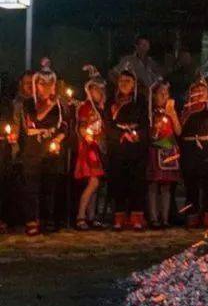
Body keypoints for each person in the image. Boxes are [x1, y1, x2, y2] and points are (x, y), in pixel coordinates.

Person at [15, 64, 67, 235]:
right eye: (42, 84)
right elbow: (35, 119)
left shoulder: (58, 105)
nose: (46, 87)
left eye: (50, 83)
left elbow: (63, 125)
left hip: (51, 149)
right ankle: (31, 220)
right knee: (32, 186)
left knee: (49, 186)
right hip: (33, 149)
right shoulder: (29, 103)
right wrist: (49, 106)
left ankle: (47, 219)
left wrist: (58, 139)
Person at [105, 70, 149, 230]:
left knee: (137, 183)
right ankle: (119, 217)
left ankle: (137, 218)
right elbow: (107, 124)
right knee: (119, 182)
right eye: (121, 81)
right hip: (118, 148)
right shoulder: (111, 102)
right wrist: (120, 135)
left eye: (128, 81)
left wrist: (137, 136)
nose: (124, 84)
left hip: (136, 148)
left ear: (134, 84)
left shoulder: (141, 101)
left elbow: (145, 123)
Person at [179, 80, 208, 229]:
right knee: (191, 185)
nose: (199, 94)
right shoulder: (185, 110)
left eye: (202, 91)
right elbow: (179, 130)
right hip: (190, 150)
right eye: (196, 91)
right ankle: (192, 215)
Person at [74, 67, 107, 230]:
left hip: (97, 147)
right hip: (88, 148)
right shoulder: (86, 107)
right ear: (90, 89)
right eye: (96, 89)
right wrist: (86, 134)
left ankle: (91, 216)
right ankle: (80, 215)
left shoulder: (100, 109)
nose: (99, 92)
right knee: (93, 182)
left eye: (101, 89)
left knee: (96, 182)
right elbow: (81, 126)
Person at [146, 80, 182, 228]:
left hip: (169, 151)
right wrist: (156, 127)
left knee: (167, 186)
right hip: (155, 150)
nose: (164, 95)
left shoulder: (171, 111)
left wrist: (172, 115)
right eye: (161, 93)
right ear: (154, 95)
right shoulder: (150, 112)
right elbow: (152, 136)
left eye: (166, 93)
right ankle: (154, 218)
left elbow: (179, 131)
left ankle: (165, 218)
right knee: (154, 184)